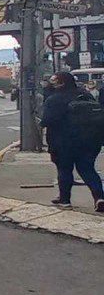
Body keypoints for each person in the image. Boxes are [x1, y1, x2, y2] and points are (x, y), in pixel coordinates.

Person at [40, 72, 104, 213]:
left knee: (64, 169)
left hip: (64, 141)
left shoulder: (54, 99)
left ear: (61, 83)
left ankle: (65, 200)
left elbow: (46, 121)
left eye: (54, 80)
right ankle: (99, 197)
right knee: (87, 169)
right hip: (90, 141)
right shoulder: (85, 94)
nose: (52, 83)